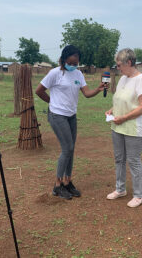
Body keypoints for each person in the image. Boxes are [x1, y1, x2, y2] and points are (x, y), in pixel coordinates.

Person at [35, 45, 105, 200]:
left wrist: (98, 89)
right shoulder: (55, 73)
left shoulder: (78, 74)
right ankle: (57, 185)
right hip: (57, 116)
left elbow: (86, 93)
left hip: (71, 116)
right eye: (71, 62)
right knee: (67, 148)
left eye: (76, 63)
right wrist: (52, 103)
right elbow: (39, 90)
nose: (73, 66)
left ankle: (68, 181)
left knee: (71, 150)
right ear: (64, 59)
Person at [105, 48, 142, 208]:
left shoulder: (140, 79)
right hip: (118, 126)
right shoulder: (123, 79)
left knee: (133, 160)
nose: (117, 68)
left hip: (134, 128)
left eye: (119, 65)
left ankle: (139, 195)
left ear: (128, 62)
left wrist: (123, 117)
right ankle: (120, 189)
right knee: (119, 159)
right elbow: (120, 100)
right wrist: (112, 110)